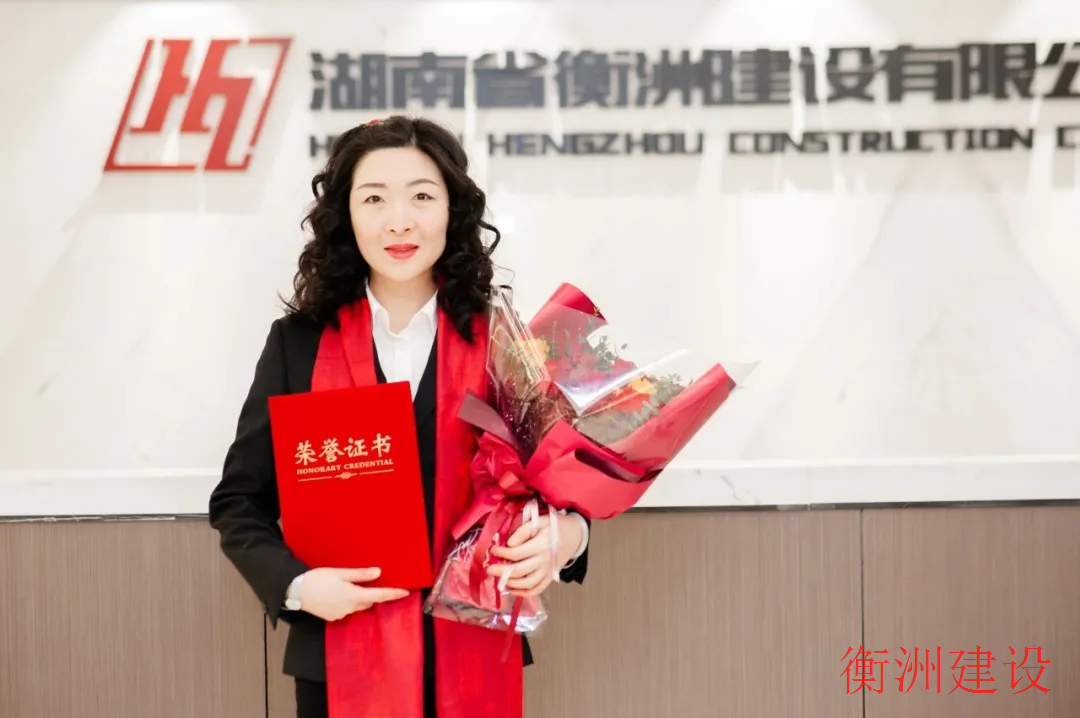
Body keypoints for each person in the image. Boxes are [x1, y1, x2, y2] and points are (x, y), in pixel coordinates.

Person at [207, 115, 590, 718]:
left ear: (453, 210)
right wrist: (299, 587)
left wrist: (564, 538)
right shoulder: (298, 345)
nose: (399, 221)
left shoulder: (504, 341)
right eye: (374, 199)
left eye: (422, 197)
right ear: (345, 214)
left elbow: (561, 488)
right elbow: (239, 501)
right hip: (338, 658)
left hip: (474, 646)